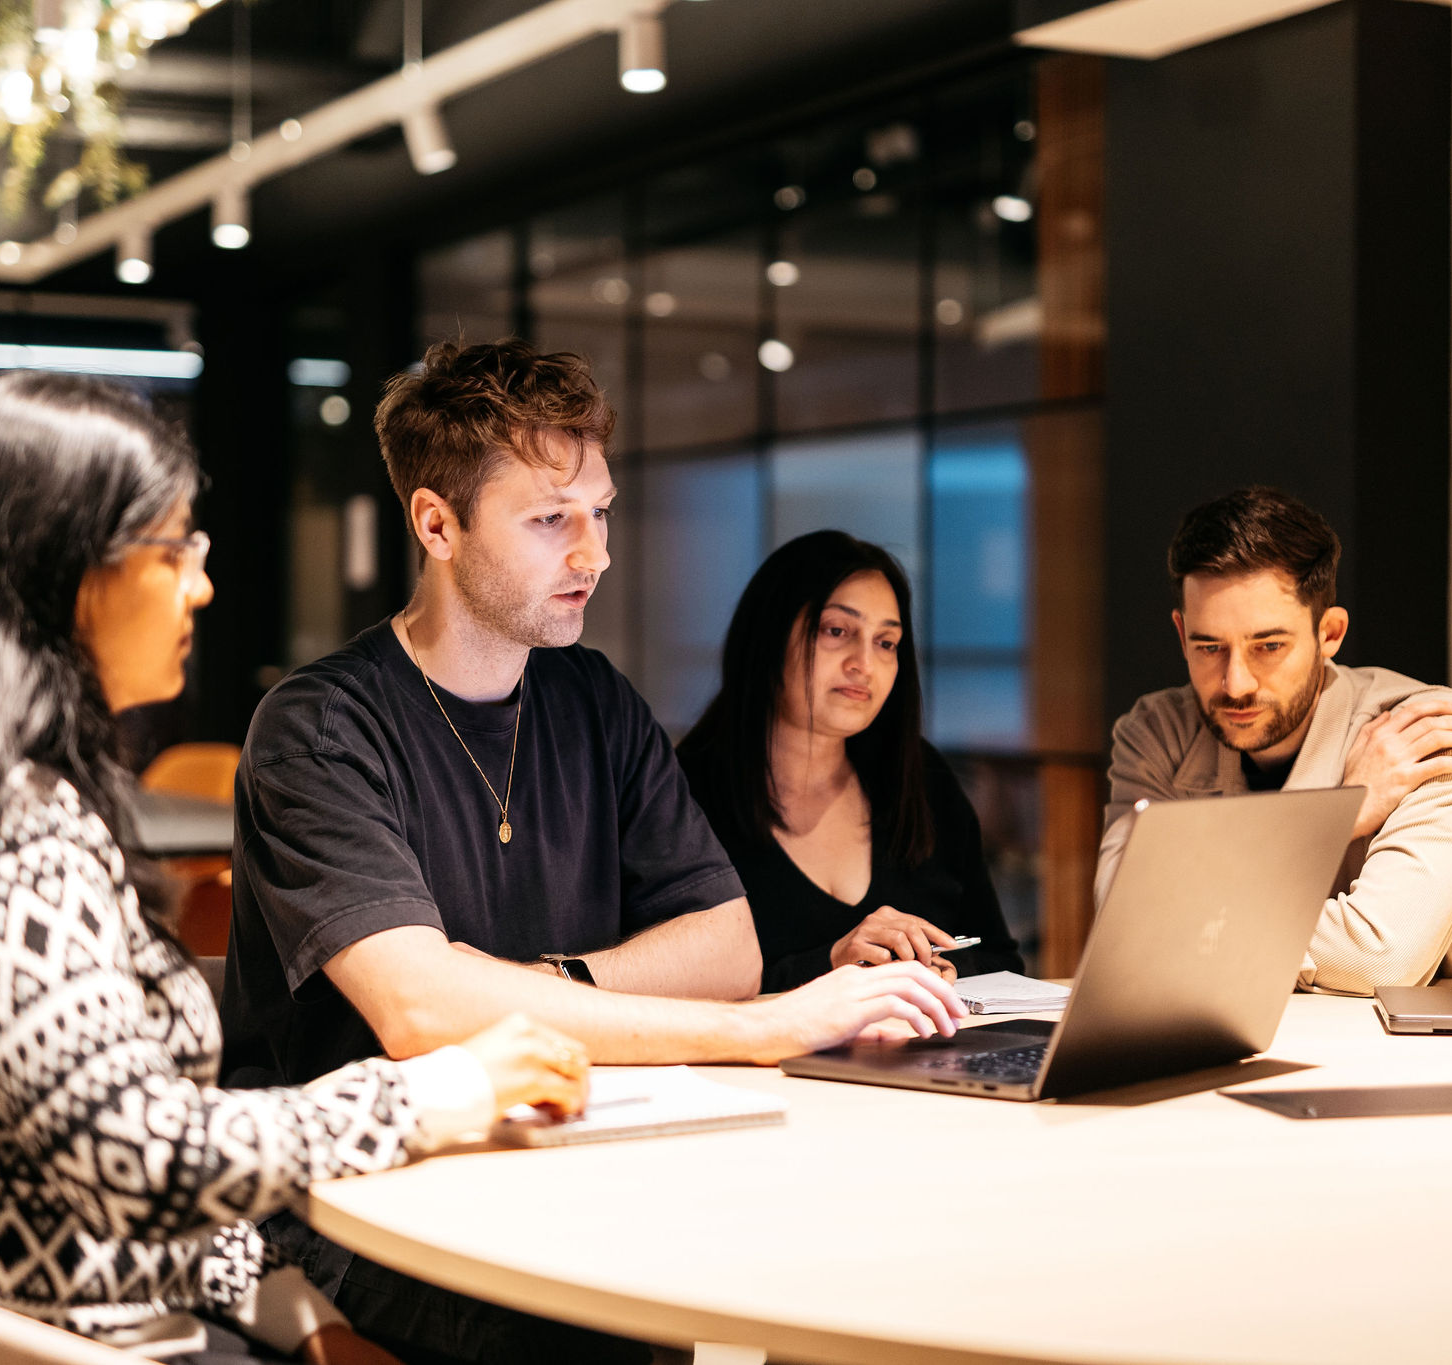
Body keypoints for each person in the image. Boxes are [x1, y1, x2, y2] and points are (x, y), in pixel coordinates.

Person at [0, 372, 594, 1365]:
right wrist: (442, 1092)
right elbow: (135, 1159)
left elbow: (93, 1182)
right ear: (60, 569)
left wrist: (290, 1306)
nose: (202, 583)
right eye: (173, 548)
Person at [222, 340, 963, 1364]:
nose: (594, 553)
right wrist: (765, 1031)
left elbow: (725, 948)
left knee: (849, 1254)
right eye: (549, 520)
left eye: (600, 512)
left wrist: (537, 983)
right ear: (435, 524)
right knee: (595, 1318)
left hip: (570, 1152)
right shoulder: (319, 726)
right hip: (362, 1199)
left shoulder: (593, 699)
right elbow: (419, 1011)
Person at [1098, 486, 1452, 995]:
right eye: (1209, 647)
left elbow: (1381, 958)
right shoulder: (1157, 733)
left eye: (1268, 646)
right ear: (1182, 635)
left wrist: (1193, 920)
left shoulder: (1429, 731)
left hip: (1419, 1054)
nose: (1236, 683)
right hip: (1216, 1043)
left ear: (1329, 633)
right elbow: (1124, 926)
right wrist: (1338, 815)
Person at [677, 531, 1026, 992]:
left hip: (923, 1056)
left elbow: (1002, 961)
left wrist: (950, 970)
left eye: (886, 642)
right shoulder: (682, 796)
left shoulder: (922, 779)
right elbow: (672, 990)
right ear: (769, 636)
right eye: (837, 631)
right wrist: (832, 965)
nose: (864, 663)